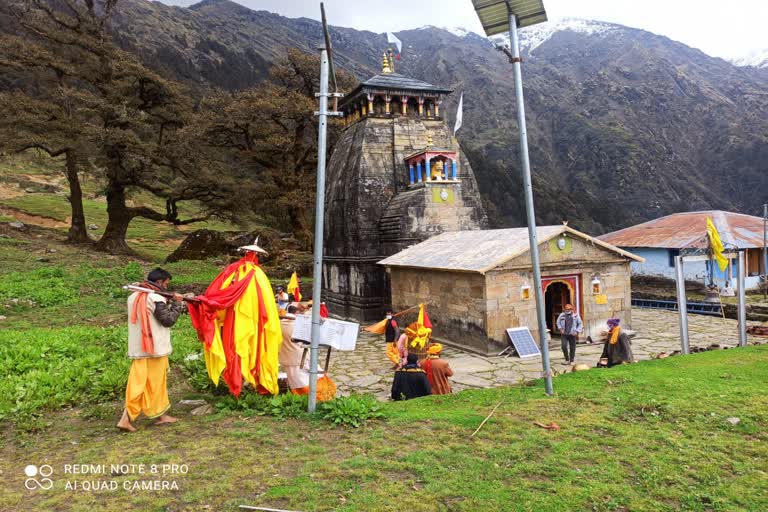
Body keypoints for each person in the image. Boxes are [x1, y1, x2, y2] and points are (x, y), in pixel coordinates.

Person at [118, 268, 186, 432]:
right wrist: (177, 303)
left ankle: (161, 415)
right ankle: (125, 419)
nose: (166, 286)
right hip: (154, 348)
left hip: (140, 347)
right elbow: (168, 320)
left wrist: (169, 301)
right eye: (166, 283)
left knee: (156, 383)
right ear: (159, 282)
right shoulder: (155, 298)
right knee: (140, 384)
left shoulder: (133, 296)